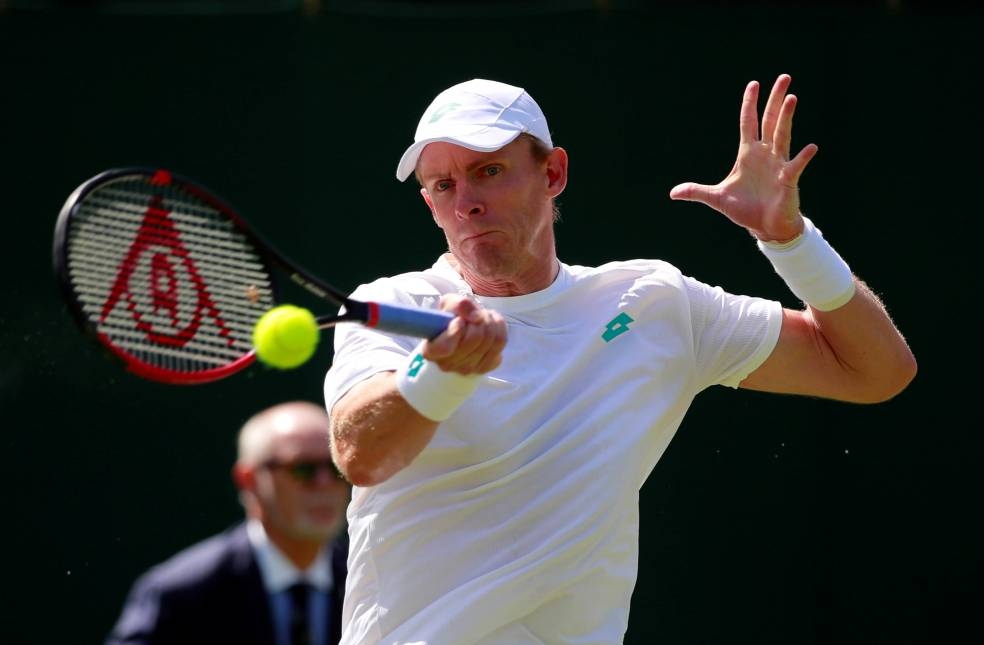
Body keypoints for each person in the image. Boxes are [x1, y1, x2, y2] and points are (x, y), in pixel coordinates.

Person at [324, 76, 917, 644]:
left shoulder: (653, 302)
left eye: (490, 172)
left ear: (553, 173)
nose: (467, 203)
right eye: (443, 186)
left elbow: (875, 371)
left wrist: (790, 241)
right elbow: (359, 454)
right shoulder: (393, 305)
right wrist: (439, 373)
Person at [107, 401, 350, 645]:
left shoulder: (372, 581)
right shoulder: (181, 594)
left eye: (336, 467)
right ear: (249, 479)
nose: (325, 483)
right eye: (303, 469)